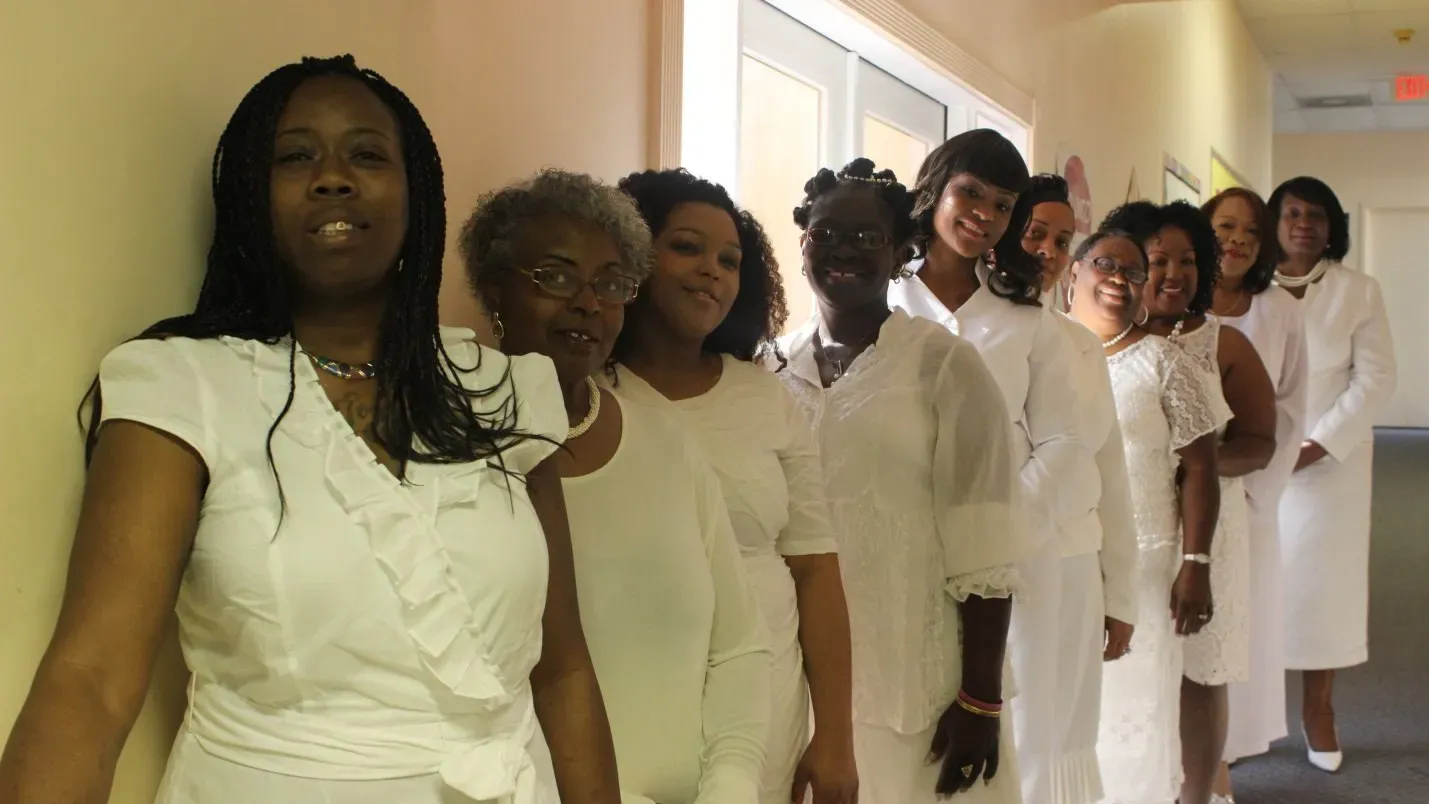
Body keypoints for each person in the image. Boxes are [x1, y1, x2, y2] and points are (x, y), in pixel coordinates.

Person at [0, 55, 619, 804]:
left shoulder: (503, 391)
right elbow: (89, 685)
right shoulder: (180, 387)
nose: (333, 176)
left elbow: (563, 671)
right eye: (295, 156)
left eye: (366, 153)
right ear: (247, 197)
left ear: (415, 192)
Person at [461, 168, 773, 804]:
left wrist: (730, 790)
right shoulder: (447, 454)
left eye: (610, 283)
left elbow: (740, 649)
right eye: (555, 276)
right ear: (495, 288)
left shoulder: (668, 442)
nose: (587, 302)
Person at [776, 157, 1030, 804]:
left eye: (867, 239)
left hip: (915, 680)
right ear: (802, 239)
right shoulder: (769, 368)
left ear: (899, 255)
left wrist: (979, 699)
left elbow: (986, 549)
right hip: (793, 679)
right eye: (827, 233)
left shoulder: (942, 365)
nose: (844, 251)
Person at [610, 169, 857, 804]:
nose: (713, 272)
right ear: (630, 253)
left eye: (729, 259)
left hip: (764, 711)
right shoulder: (585, 395)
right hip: (627, 705)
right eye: (687, 248)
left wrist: (834, 738)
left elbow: (815, 571)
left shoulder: (766, 399)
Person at [895, 129, 1091, 804]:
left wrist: (1005, 519)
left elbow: (1067, 439)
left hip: (1010, 550)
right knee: (908, 713)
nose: (983, 214)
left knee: (1009, 719)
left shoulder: (1022, 313)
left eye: (1002, 204)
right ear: (935, 190)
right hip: (898, 540)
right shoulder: (883, 299)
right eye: (969, 192)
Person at [1103, 201, 1275, 804]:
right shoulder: (1096, 338)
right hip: (1129, 527)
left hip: (1209, 532)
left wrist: (1191, 466)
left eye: (1188, 260)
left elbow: (1259, 441)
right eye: (1157, 261)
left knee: (1200, 671)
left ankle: (1199, 794)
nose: (1174, 273)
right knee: (1125, 664)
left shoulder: (1224, 345)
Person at [1065, 227, 1221, 804]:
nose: (1120, 280)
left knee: (1136, 715)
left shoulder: (1166, 362)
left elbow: (1201, 469)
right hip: (1065, 554)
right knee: (1066, 714)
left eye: (1134, 273)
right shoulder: (1045, 351)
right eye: (1105, 264)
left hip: (1149, 563)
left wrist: (1195, 563)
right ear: (1073, 271)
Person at [1270, 176, 1397, 773]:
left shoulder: (1358, 291)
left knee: (1319, 590)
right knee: (1253, 587)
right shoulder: (1247, 290)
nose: (1302, 223)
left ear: (1332, 227)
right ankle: (1250, 716)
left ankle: (1318, 709)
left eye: (1315, 215)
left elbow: (1375, 378)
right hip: (1250, 462)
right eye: (1291, 212)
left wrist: (1315, 445)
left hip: (1328, 470)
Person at [1019, 174, 1139, 804]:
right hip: (995, 564)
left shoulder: (1081, 346)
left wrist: (1119, 592)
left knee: (1063, 732)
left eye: (1061, 240)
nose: (1046, 248)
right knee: (1010, 734)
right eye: (1035, 231)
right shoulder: (964, 336)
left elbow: (1110, 470)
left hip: (1071, 569)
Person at [1199, 186, 1309, 799]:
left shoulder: (1281, 311)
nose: (1237, 239)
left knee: (1239, 632)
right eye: (1224, 226)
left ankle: (1226, 759)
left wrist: (1251, 489)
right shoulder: (1171, 298)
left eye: (1250, 230)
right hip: (1174, 497)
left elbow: (1292, 408)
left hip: (1250, 499)